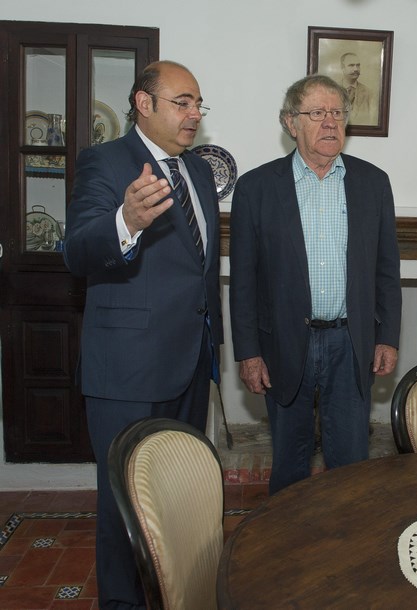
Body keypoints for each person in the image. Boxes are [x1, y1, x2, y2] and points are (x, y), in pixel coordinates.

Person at [63, 60, 222, 609]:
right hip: (127, 369)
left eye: (199, 104)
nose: (195, 115)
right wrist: (125, 222)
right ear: (143, 103)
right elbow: (77, 251)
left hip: (190, 364)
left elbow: (200, 273)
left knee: (179, 499)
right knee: (125, 509)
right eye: (183, 102)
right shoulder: (105, 163)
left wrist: (216, 346)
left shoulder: (198, 172)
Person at [230, 74, 402, 495]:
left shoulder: (373, 183)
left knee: (351, 463)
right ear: (291, 123)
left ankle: (344, 549)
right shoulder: (256, 188)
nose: (330, 123)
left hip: (351, 342)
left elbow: (386, 269)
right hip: (285, 343)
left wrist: (388, 337)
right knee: (289, 462)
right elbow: (244, 279)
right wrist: (249, 352)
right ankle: (284, 550)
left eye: (337, 113)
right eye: (317, 113)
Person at [340, 52, 377, 125]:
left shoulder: (369, 93)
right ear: (342, 68)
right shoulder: (332, 90)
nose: (356, 69)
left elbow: (372, 122)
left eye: (358, 65)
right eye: (351, 65)